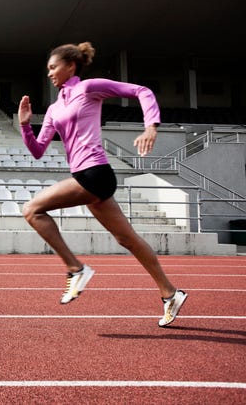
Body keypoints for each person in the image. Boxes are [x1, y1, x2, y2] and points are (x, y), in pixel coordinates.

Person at [18, 42, 187, 327]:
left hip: (96, 173)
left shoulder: (88, 88)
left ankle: (76, 269)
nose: (49, 73)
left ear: (70, 66)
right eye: (47, 69)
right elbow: (37, 151)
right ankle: (170, 294)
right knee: (127, 239)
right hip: (86, 178)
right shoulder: (53, 109)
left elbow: (141, 91)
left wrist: (151, 126)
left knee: (32, 209)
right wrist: (25, 125)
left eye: (53, 67)